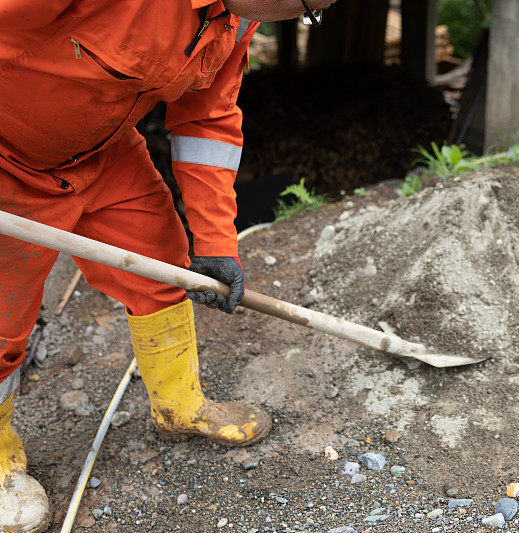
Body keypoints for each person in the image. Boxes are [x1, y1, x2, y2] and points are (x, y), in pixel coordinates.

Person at [0, 0, 334, 529]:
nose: (292, 18)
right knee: (2, 322)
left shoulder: (238, 17)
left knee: (161, 265)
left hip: (104, 156)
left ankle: (179, 404)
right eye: (306, 6)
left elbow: (208, 120)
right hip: (7, 164)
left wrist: (217, 241)